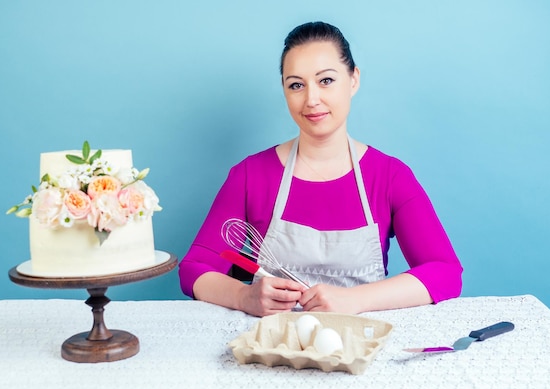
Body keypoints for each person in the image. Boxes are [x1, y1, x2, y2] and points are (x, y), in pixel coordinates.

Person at [178, 21, 462, 317]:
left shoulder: (390, 177)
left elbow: (445, 273)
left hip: (360, 347)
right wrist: (244, 296)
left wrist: (355, 300)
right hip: (273, 347)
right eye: (296, 85)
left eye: (326, 80)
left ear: (353, 80)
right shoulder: (250, 176)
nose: (311, 100)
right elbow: (194, 269)